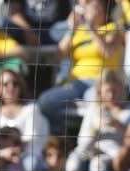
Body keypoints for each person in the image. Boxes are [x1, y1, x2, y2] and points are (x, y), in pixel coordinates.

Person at [37, 0, 123, 134]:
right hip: (77, 83)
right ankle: (61, 135)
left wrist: (91, 28)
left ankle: (93, 143)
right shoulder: (79, 31)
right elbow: (58, 56)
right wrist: (71, 29)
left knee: (95, 105)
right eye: (87, 7)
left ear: (104, 10)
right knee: (45, 102)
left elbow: (107, 51)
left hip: (100, 83)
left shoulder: (113, 29)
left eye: (94, 6)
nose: (89, 10)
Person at [66, 69, 130, 171]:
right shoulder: (93, 110)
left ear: (122, 90)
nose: (111, 96)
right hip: (91, 152)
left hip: (116, 157)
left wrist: (118, 125)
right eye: (107, 91)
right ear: (100, 92)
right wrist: (95, 130)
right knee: (73, 162)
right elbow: (82, 144)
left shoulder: (129, 113)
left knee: (97, 165)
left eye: (115, 91)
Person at [0, 68, 50, 162]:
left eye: (15, 83)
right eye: (5, 84)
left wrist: (10, 151)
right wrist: (2, 154)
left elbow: (31, 141)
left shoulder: (31, 109)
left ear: (20, 87)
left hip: (25, 158)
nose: (11, 87)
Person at [2, 0, 71, 46]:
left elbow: (73, 13)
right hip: (27, 28)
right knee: (5, 24)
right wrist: (28, 30)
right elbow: (14, 13)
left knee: (72, 28)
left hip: (54, 30)